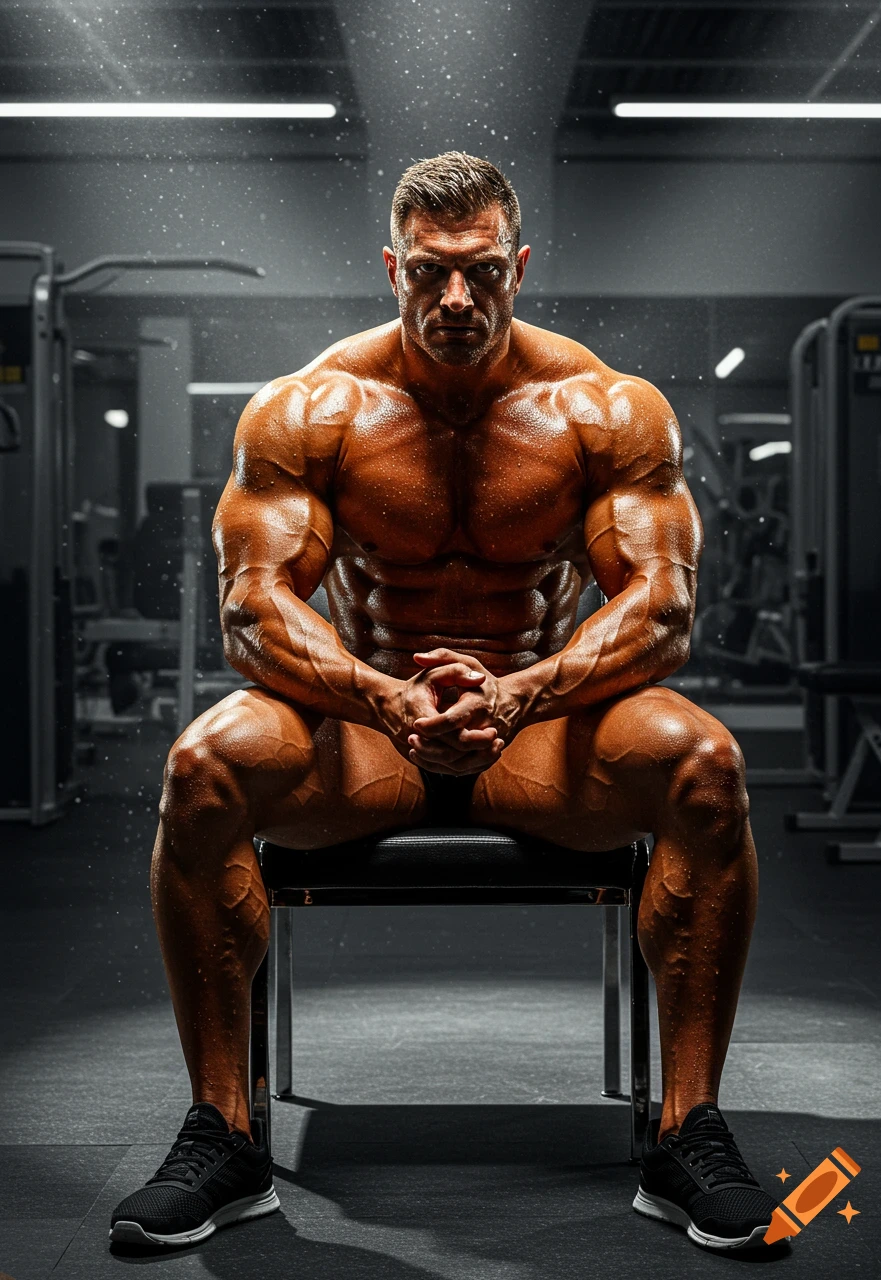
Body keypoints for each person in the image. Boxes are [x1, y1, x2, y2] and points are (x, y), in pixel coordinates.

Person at [110, 152, 782, 1253]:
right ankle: (223, 1136)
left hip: (536, 738)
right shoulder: (311, 408)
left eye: (478, 272)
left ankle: (685, 1127)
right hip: (369, 739)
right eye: (429, 273)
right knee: (200, 766)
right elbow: (251, 611)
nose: (454, 299)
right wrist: (382, 693)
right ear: (391, 268)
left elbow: (661, 611)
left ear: (517, 265)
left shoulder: (606, 408)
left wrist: (519, 691)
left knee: (703, 762)